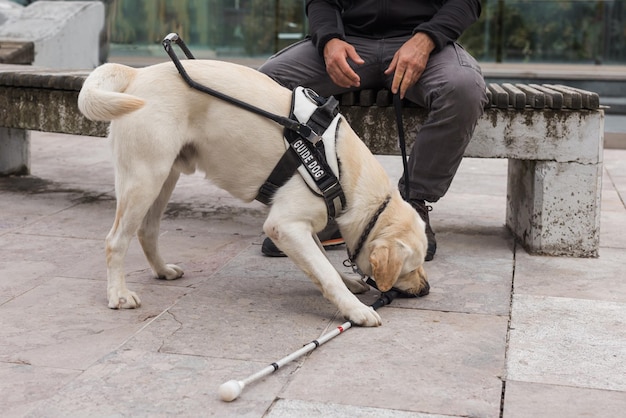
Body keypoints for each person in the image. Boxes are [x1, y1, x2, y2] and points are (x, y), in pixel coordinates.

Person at [258, 0, 488, 261]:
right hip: (349, 43)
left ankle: (410, 207)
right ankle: (322, 207)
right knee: (266, 84)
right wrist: (329, 39)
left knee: (463, 88)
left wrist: (427, 39)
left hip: (423, 43)